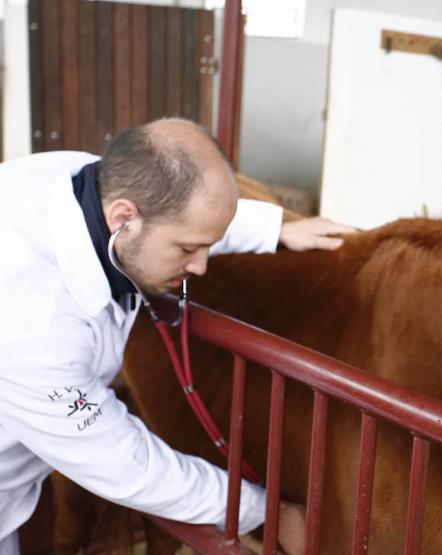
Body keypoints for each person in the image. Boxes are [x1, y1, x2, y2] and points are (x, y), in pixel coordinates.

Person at [0, 118, 354, 554]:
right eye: (188, 250)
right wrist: (264, 510)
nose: (201, 266)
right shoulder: (34, 329)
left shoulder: (81, 181)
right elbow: (129, 467)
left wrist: (272, 229)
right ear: (123, 219)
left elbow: (167, 218)